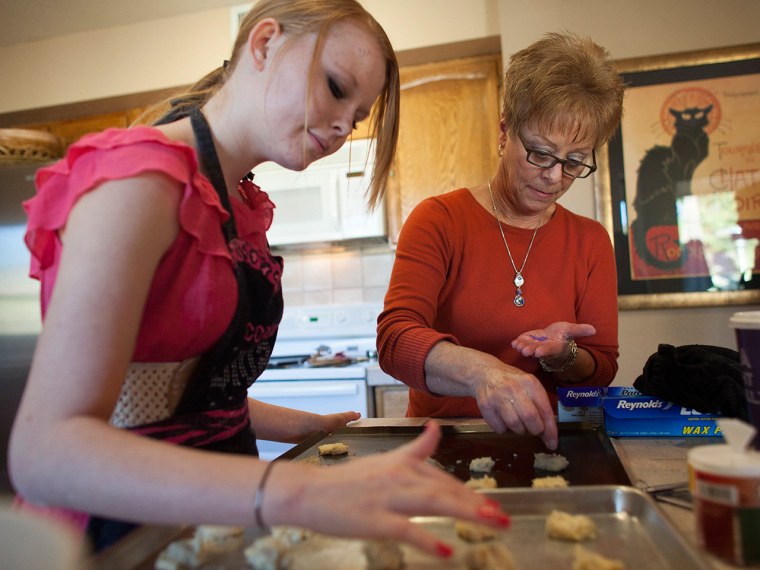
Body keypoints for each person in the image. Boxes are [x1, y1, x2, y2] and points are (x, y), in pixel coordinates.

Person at [8, 0, 510, 557]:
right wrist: (294, 491)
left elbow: (176, 398)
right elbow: (44, 455)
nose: (345, 126)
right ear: (265, 43)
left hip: (204, 522)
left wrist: (309, 428)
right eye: (336, 87)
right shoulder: (138, 183)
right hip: (118, 534)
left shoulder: (239, 200)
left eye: (359, 115)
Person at [377, 32, 625, 451]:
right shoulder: (439, 220)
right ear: (504, 131)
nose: (553, 176)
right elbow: (395, 340)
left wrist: (562, 356)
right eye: (540, 153)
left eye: (574, 161)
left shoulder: (590, 241)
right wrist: (482, 372)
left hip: (548, 444)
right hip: (444, 445)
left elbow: (601, 369)